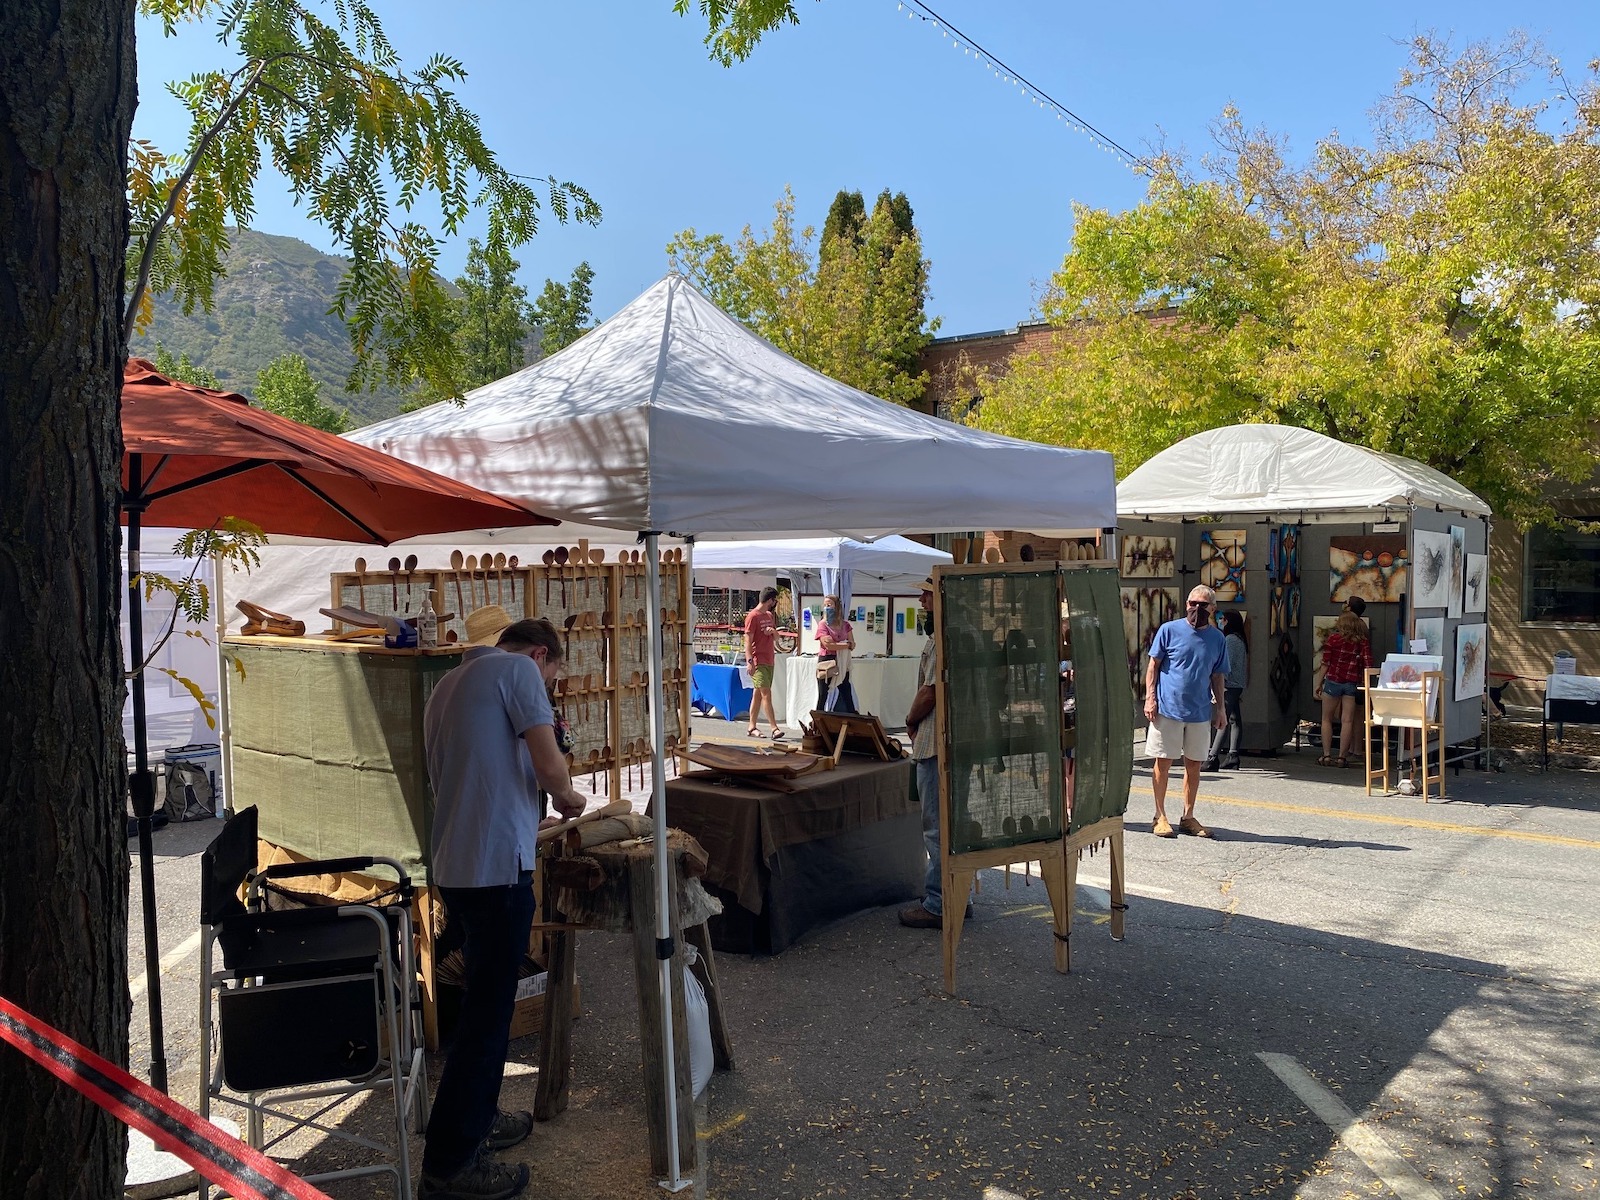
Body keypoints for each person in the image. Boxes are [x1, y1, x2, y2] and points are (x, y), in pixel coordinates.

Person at [419, 607, 584, 1200]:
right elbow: (549, 769)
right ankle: (452, 1163)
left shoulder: (447, 684)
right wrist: (569, 798)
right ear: (539, 657)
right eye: (553, 682)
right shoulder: (517, 674)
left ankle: (477, 1122)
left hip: (457, 866)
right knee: (488, 1022)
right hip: (493, 869)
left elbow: (480, 773)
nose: (547, 693)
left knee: (476, 1013)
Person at [899, 578, 972, 929]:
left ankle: (940, 902)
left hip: (937, 743)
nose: (922, 599)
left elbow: (930, 692)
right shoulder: (963, 632)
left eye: (927, 593)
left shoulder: (943, 638)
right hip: (957, 742)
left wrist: (910, 718)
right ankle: (958, 895)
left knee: (937, 827)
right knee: (954, 825)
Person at [1144, 584, 1228, 839]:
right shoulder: (1169, 630)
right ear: (1186, 604)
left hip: (1200, 711)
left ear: (1212, 609)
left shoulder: (1217, 638)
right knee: (1163, 762)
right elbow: (1153, 666)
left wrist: (1221, 709)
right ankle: (1160, 815)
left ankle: (1188, 816)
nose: (1196, 609)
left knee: (1194, 765)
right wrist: (1150, 698)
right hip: (1167, 708)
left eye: (1203, 605)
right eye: (1192, 604)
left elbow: (1218, 675)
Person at [1317, 595, 1373, 767]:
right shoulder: (1361, 641)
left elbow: (1326, 663)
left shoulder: (1333, 639)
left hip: (1333, 680)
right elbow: (1368, 663)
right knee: (1347, 720)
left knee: (1326, 719)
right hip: (1351, 683)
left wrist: (1318, 683)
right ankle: (1342, 757)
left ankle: (1326, 755)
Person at [1203, 609, 1248, 771]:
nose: (1221, 621)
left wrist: (1217, 689)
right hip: (1237, 684)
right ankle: (1233, 755)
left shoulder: (1230, 640)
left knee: (1222, 719)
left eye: (1223, 619)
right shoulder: (1240, 639)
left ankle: (1212, 757)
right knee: (1235, 720)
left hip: (1229, 685)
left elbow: (1224, 666)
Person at [743, 587, 784, 738]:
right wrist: (749, 661)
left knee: (758, 694)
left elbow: (777, 637)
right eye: (774, 600)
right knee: (766, 693)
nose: (775, 603)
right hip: (758, 660)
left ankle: (751, 726)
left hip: (769, 659)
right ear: (770, 600)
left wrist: (772, 631)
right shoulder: (752, 617)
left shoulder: (768, 615)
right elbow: (748, 641)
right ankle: (774, 728)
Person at [814, 594, 856, 713]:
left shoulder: (845, 625)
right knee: (823, 694)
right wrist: (845, 644)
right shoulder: (823, 624)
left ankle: (853, 718)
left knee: (846, 691)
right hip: (827, 660)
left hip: (842, 662)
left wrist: (844, 644)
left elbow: (852, 644)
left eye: (830, 605)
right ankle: (818, 721)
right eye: (825, 605)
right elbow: (828, 644)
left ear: (837, 607)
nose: (827, 607)